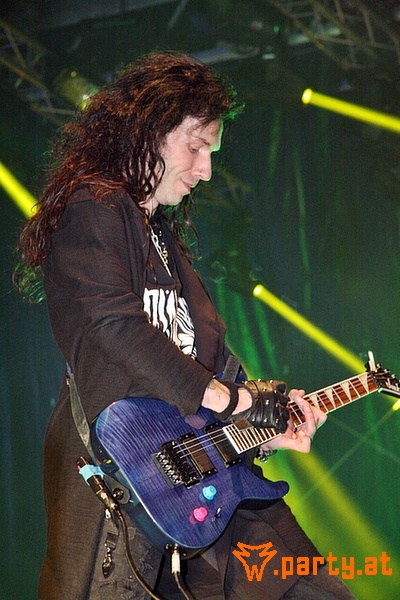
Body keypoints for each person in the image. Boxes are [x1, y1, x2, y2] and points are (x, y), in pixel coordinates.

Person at [14, 51, 355, 600]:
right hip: (127, 488)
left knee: (312, 590)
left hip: (211, 481)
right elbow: (113, 325)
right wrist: (228, 399)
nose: (206, 170)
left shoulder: (166, 241)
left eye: (211, 153)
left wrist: (264, 415)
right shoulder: (94, 207)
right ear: (147, 132)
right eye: (196, 147)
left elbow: (210, 364)